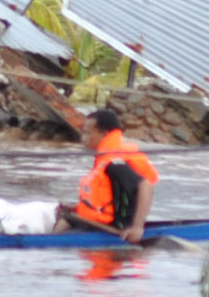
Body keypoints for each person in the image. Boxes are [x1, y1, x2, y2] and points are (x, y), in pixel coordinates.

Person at [67, 104, 156, 242]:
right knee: (64, 217)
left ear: (104, 134)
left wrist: (138, 228)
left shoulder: (113, 162)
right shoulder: (105, 158)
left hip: (112, 227)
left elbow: (145, 185)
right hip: (98, 222)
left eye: (88, 133)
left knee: (64, 222)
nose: (83, 138)